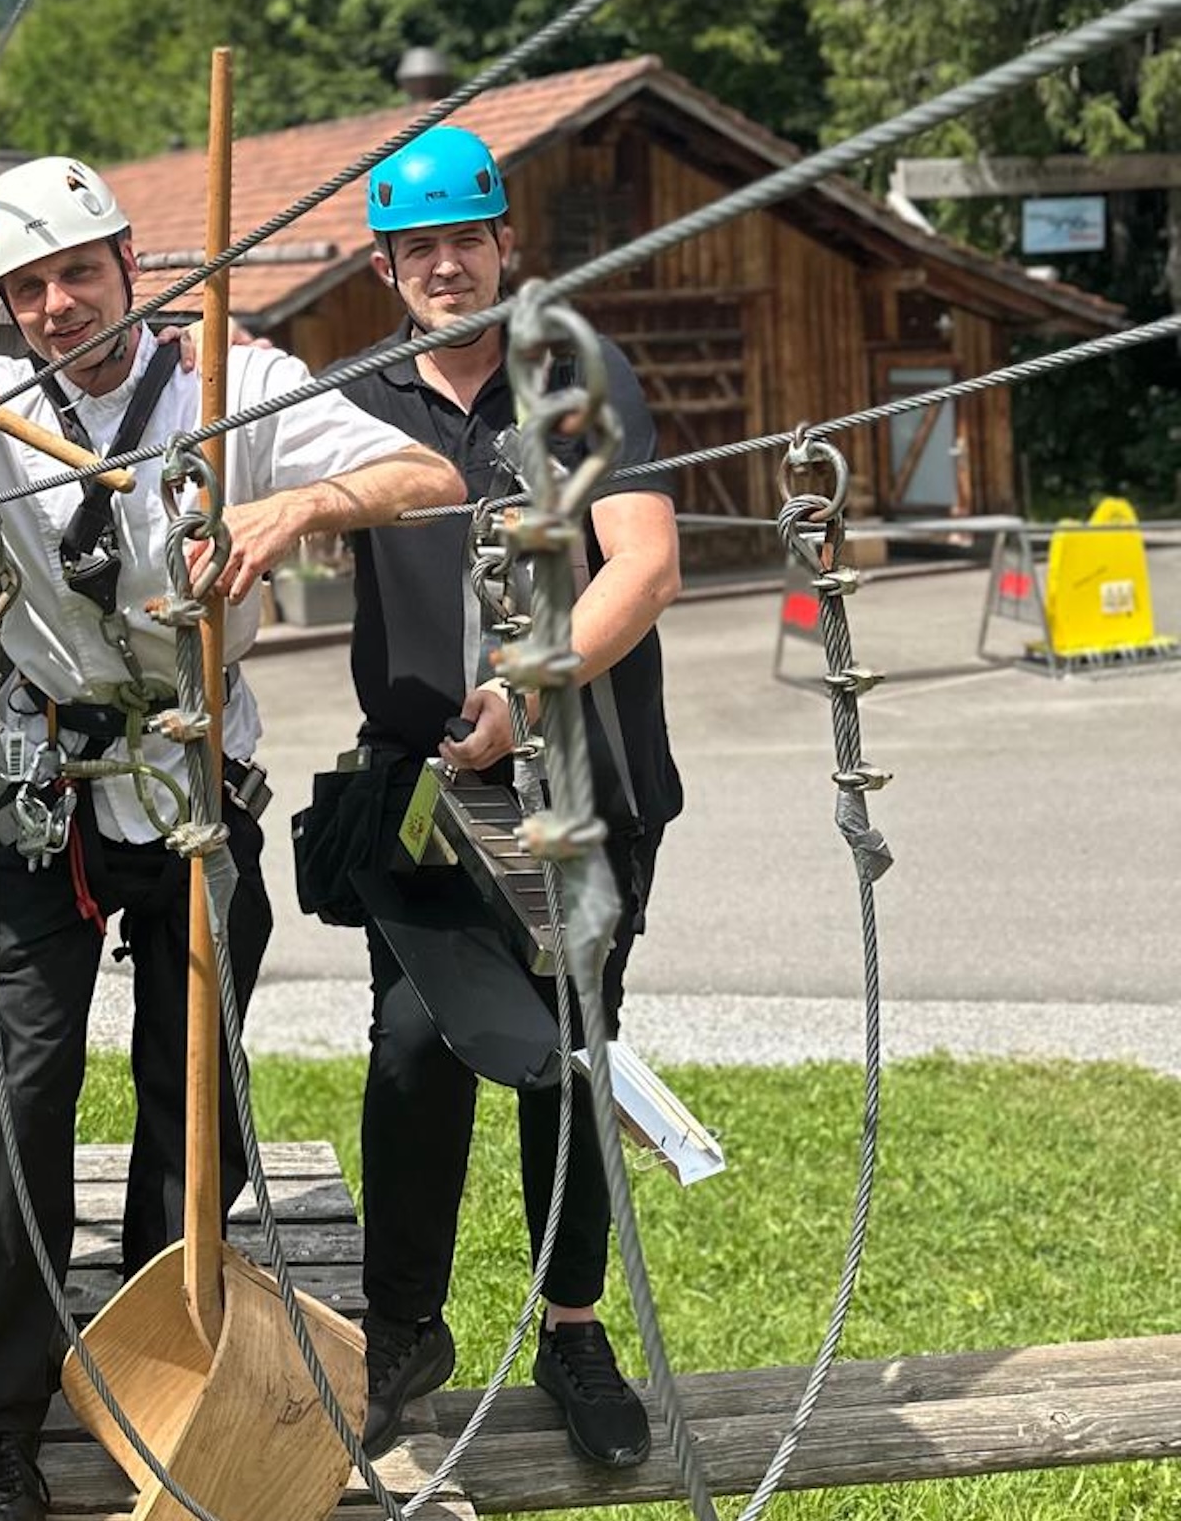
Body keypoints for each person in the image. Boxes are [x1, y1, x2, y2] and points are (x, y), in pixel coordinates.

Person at [0, 154, 462, 1521]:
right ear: (6, 303)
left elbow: (423, 473)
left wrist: (295, 504)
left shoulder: (236, 387)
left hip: (197, 784)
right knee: (14, 1095)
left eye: (79, 274)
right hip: (48, 789)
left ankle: (159, 1366)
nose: (61, 305)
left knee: (195, 1106)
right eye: (31, 289)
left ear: (132, 266)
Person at [327, 126, 684, 1467]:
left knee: (567, 1055)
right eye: (417, 249)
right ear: (386, 266)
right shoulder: (348, 400)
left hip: (588, 779)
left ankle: (572, 1326)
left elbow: (640, 567)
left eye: (463, 240)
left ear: (504, 246)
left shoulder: (573, 379)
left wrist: (528, 693)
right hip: (419, 787)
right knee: (415, 1048)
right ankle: (405, 1325)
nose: (444, 265)